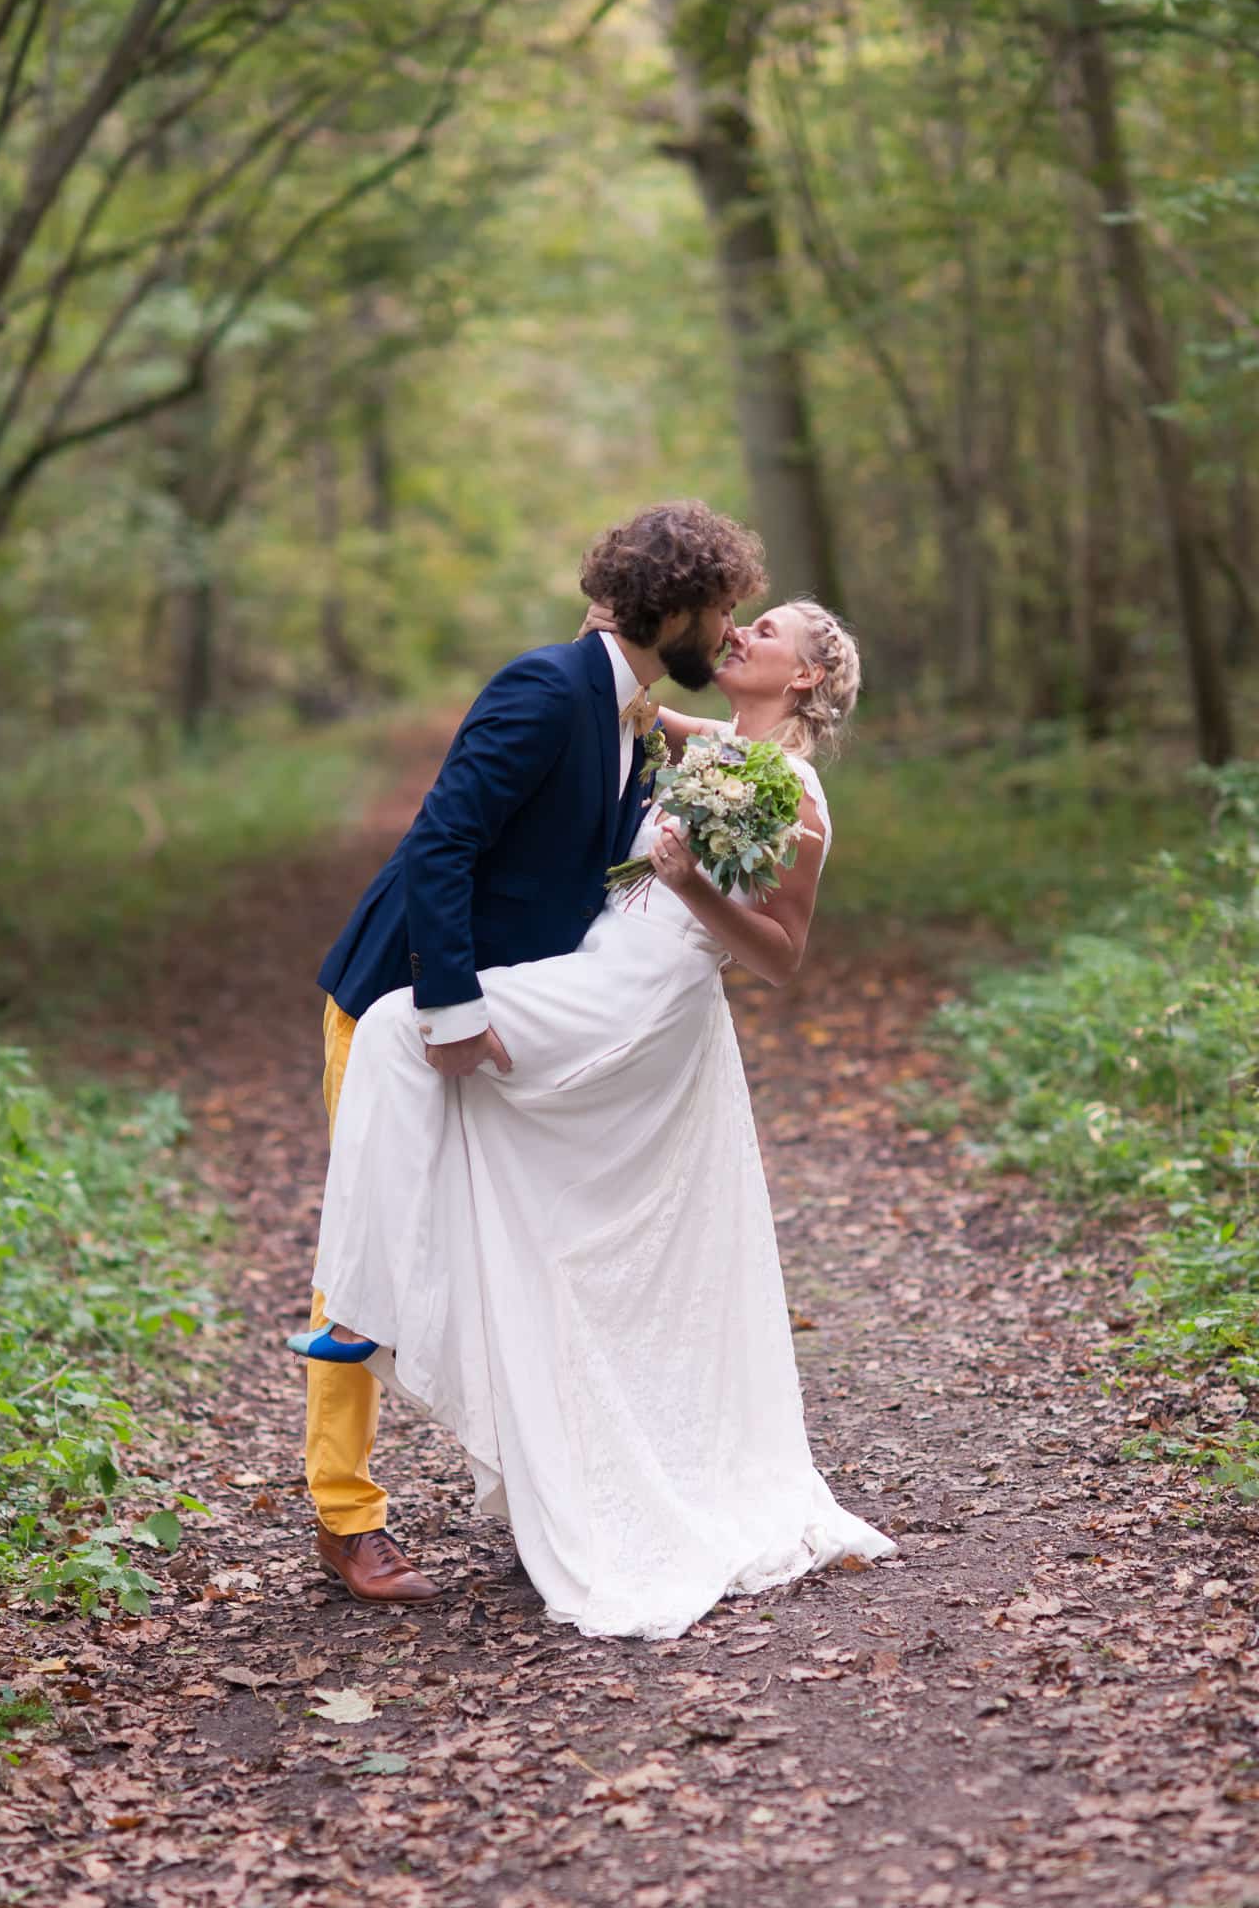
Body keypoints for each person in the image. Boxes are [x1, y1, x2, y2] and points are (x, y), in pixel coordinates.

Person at [297, 577, 899, 1639]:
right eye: (736, 616)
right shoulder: (700, 740)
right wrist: (617, 613)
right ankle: (410, 1360)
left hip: (635, 993)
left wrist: (691, 884)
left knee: (403, 1037)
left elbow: (781, 954)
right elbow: (620, 691)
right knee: (444, 1103)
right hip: (580, 965)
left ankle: (372, 1305)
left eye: (766, 629)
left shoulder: (793, 791)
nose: (742, 632)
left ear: (805, 675)